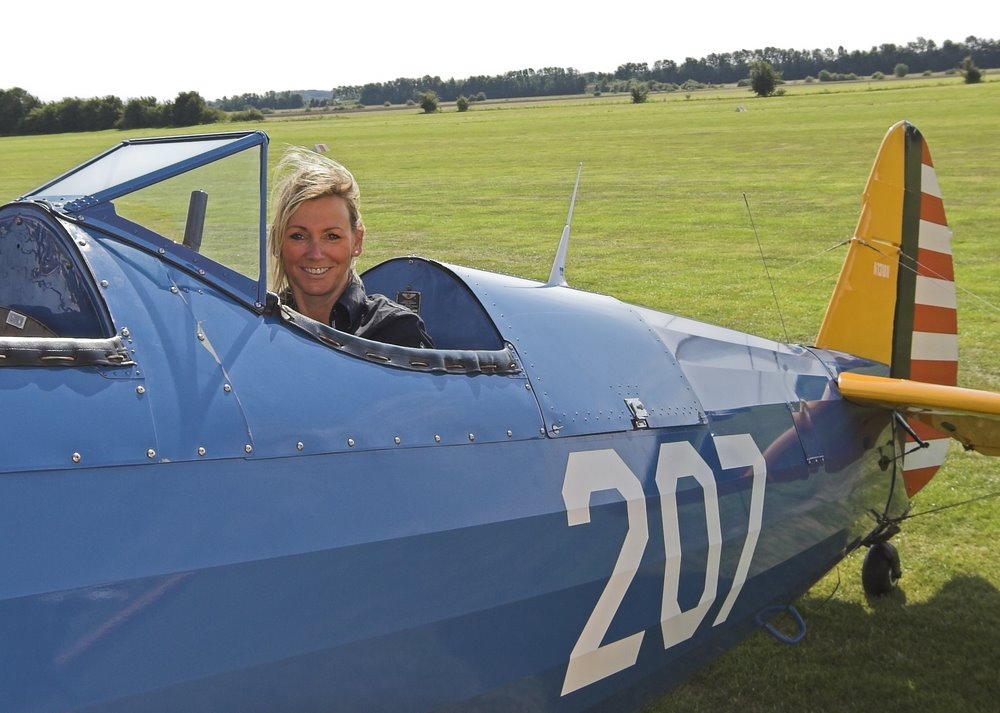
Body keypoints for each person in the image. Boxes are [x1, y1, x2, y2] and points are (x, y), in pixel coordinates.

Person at [268, 147, 432, 349]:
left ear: (357, 241)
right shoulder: (260, 329)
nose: (315, 254)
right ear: (277, 241)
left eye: (332, 236)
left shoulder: (396, 332)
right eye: (298, 236)